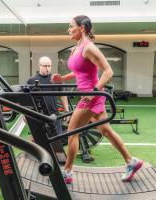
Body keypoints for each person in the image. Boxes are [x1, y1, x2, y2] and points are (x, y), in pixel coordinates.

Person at [51, 15, 143, 184]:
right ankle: (132, 161)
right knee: (106, 131)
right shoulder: (75, 48)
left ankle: (68, 172)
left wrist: (94, 91)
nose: (68, 29)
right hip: (89, 95)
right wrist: (63, 79)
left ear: (82, 28)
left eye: (71, 26)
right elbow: (79, 72)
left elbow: (108, 71)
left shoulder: (89, 48)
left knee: (72, 132)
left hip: (91, 97)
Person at [27, 56, 69, 136]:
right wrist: (24, 115)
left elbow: (63, 95)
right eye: (45, 66)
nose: (47, 68)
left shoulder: (56, 79)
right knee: (39, 141)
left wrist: (66, 111)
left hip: (54, 115)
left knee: (57, 139)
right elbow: (26, 98)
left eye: (49, 66)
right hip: (38, 115)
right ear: (40, 65)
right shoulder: (31, 80)